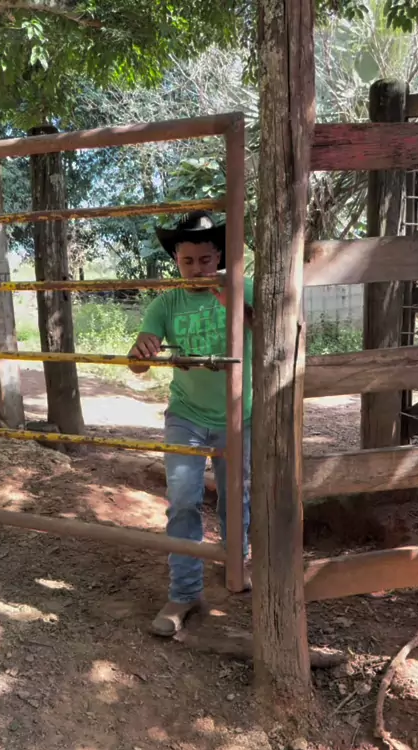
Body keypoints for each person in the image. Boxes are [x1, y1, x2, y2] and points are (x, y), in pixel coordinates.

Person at [128, 211, 253, 637]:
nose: (197, 268)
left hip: (240, 415)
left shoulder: (242, 289)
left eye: (205, 259)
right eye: (187, 261)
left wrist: (231, 300)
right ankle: (184, 591)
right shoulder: (166, 304)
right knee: (183, 497)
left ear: (219, 257)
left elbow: (267, 331)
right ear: (176, 262)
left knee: (236, 498)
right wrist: (141, 352)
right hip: (186, 415)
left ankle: (235, 565)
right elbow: (138, 365)